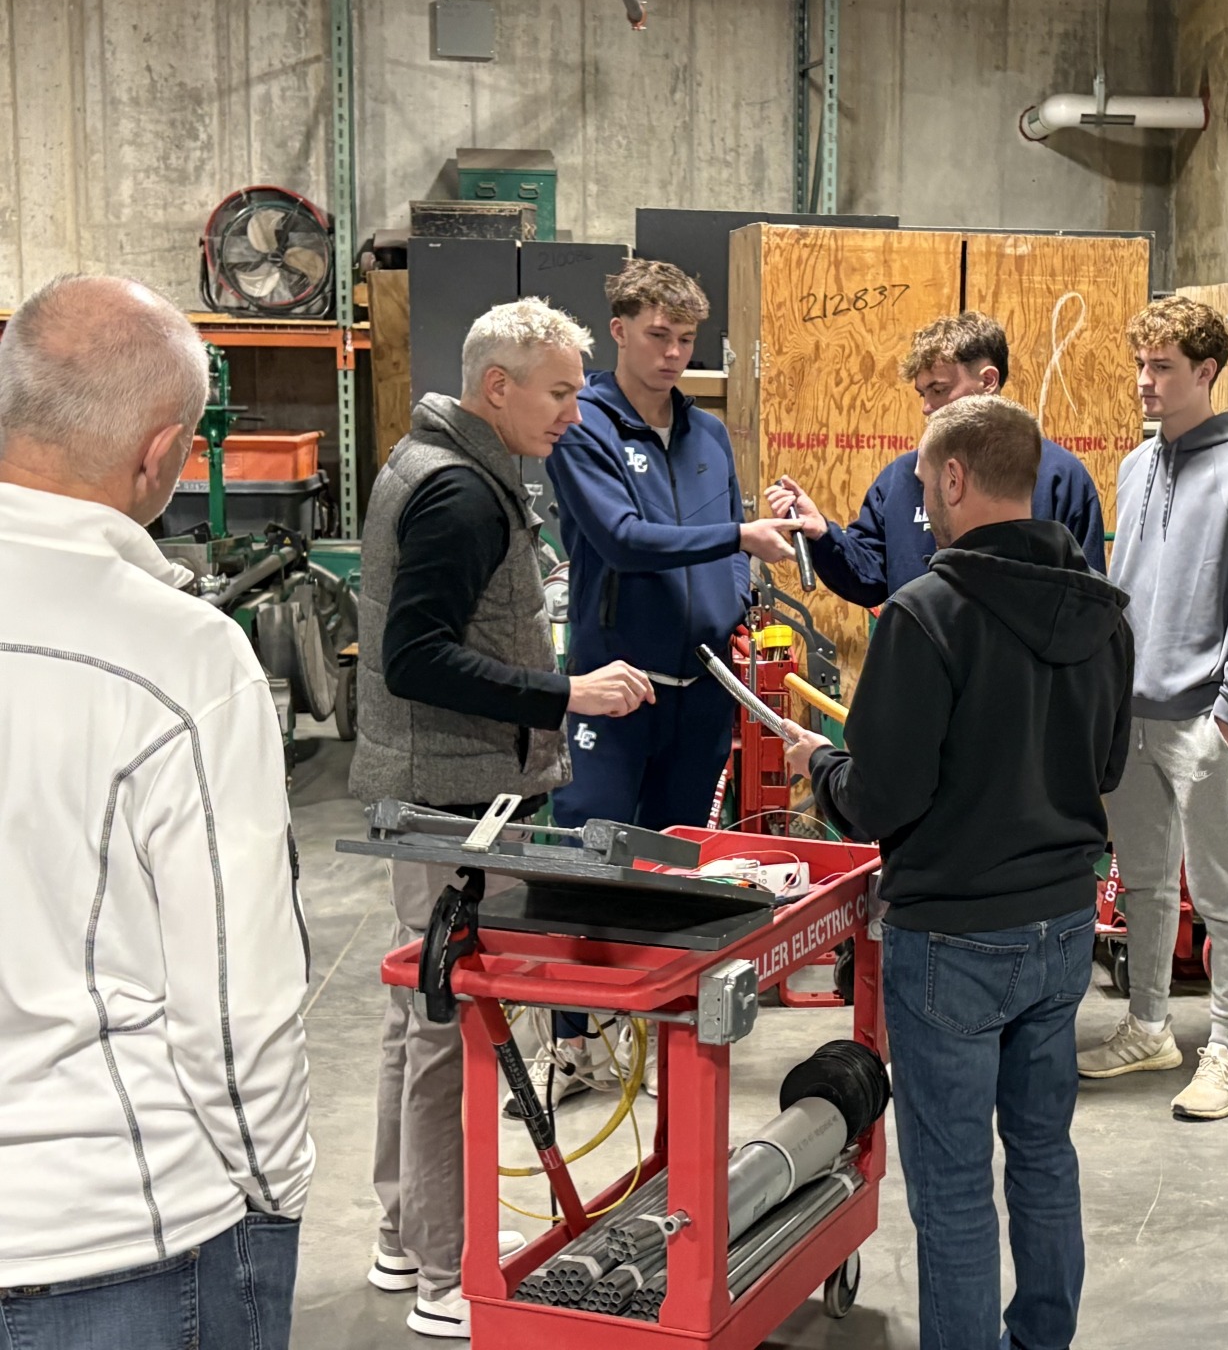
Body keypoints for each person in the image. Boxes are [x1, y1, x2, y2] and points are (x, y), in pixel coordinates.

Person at [0, 275, 314, 1348]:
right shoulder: (182, 657)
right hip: (117, 1236)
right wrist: (275, 1190)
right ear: (162, 454)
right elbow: (234, 1006)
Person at [783, 396, 1131, 1350]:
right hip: (1063, 925)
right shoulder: (1103, 612)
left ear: (953, 477)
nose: (918, 503)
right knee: (1043, 1155)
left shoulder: (925, 613)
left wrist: (822, 765)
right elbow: (1105, 768)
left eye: (921, 483)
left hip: (953, 938)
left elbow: (881, 796)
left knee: (953, 1187)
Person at [352, 298, 654, 1338]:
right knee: (448, 1030)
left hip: (439, 793)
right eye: (561, 392)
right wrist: (567, 692)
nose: (576, 412)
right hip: (454, 804)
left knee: (417, 1016)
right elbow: (415, 658)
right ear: (498, 388)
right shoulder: (459, 495)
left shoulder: (438, 463)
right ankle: (446, 1276)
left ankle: (403, 1233)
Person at [1076, 296, 1228, 1122]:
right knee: (1145, 884)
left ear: (1206, 372)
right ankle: (1150, 1026)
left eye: (1162, 368)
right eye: (1141, 365)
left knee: (1223, 890)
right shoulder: (1136, 466)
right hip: (1132, 714)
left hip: (1207, 717)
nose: (1145, 381)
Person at [547, 259, 797, 835]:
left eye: (685, 339)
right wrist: (742, 535)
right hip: (617, 690)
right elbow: (623, 540)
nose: (673, 354)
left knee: (680, 858)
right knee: (594, 852)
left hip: (704, 695)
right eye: (658, 336)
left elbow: (732, 548)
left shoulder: (708, 434)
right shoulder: (583, 426)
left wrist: (730, 603)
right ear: (619, 330)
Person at [765, 311, 1107, 602]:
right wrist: (823, 535)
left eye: (939, 390)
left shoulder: (1058, 476)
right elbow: (869, 579)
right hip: (924, 655)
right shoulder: (901, 478)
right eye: (922, 393)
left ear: (988, 380)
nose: (927, 407)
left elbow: (1087, 603)